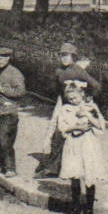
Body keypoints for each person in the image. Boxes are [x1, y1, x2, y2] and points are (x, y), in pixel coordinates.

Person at [36, 43, 102, 177]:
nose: (64, 59)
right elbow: (55, 86)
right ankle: (54, 167)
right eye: (62, 56)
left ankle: (69, 167)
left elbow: (96, 86)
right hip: (63, 104)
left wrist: (88, 98)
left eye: (67, 56)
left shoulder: (78, 70)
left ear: (73, 57)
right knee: (57, 133)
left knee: (73, 134)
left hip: (76, 106)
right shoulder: (59, 71)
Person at [54, 80, 107, 214]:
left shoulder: (91, 106)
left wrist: (87, 115)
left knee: (89, 174)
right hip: (73, 144)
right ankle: (75, 206)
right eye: (70, 98)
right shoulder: (65, 109)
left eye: (75, 97)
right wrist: (76, 127)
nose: (72, 100)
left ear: (82, 94)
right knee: (74, 174)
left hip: (88, 144)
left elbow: (100, 126)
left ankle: (89, 210)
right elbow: (62, 127)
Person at [0, 45, 26, 175]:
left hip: (8, 112)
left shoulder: (15, 73)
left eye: (3, 57)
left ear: (8, 58)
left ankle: (10, 168)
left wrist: (1, 89)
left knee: (5, 140)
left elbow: (20, 92)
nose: (0, 60)